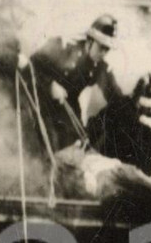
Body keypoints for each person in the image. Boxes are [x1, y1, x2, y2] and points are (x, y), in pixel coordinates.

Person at [27, 15, 125, 151]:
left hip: (68, 109)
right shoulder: (63, 47)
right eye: (101, 47)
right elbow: (30, 66)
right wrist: (50, 85)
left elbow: (116, 97)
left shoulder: (99, 66)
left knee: (76, 147)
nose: (103, 53)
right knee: (50, 148)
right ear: (89, 41)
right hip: (41, 104)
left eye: (107, 49)